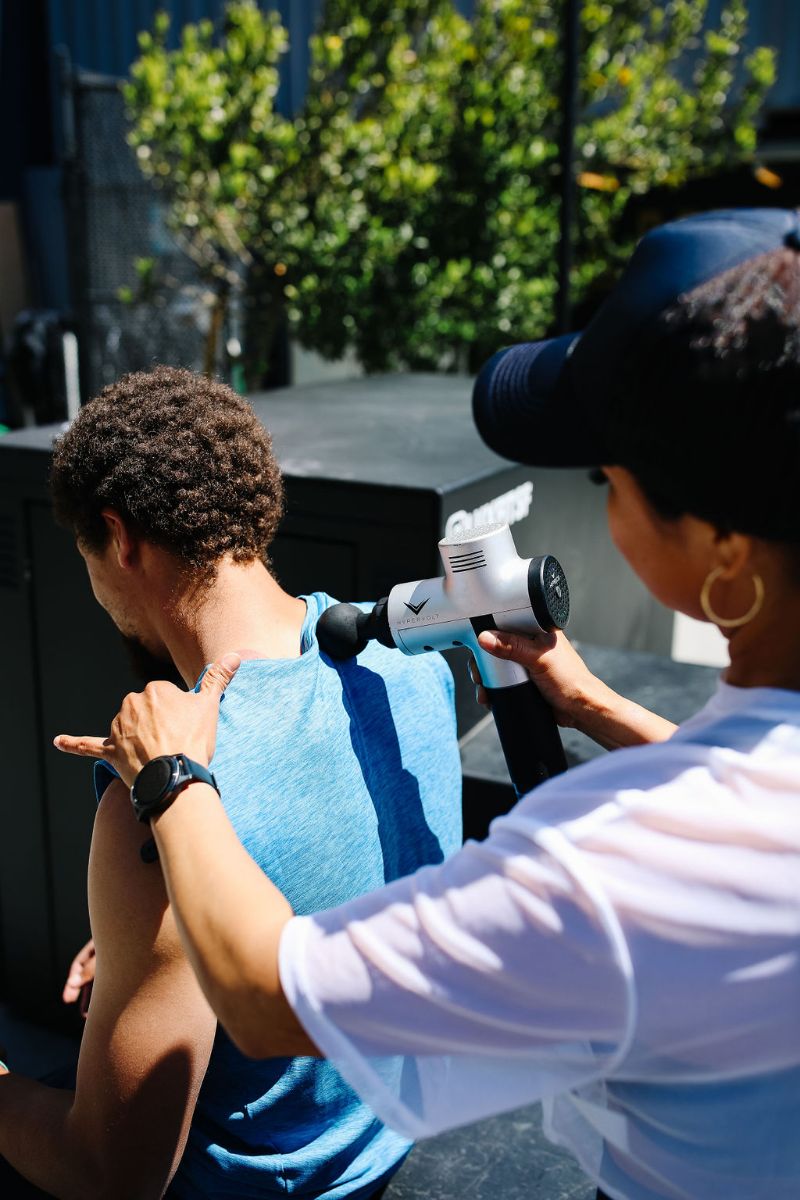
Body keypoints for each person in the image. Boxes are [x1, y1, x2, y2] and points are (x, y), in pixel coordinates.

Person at [57, 208, 800, 1200]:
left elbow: (261, 1005)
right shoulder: (414, 672)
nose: (602, 509)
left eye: (606, 478)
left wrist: (173, 784)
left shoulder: (605, 858)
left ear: (724, 555)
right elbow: (745, 801)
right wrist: (588, 703)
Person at [0, 366, 462, 1198]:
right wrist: (149, 931)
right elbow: (332, 850)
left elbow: (112, 1173)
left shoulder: (161, 798)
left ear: (121, 537)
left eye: (87, 557)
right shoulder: (409, 664)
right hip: (393, 1131)